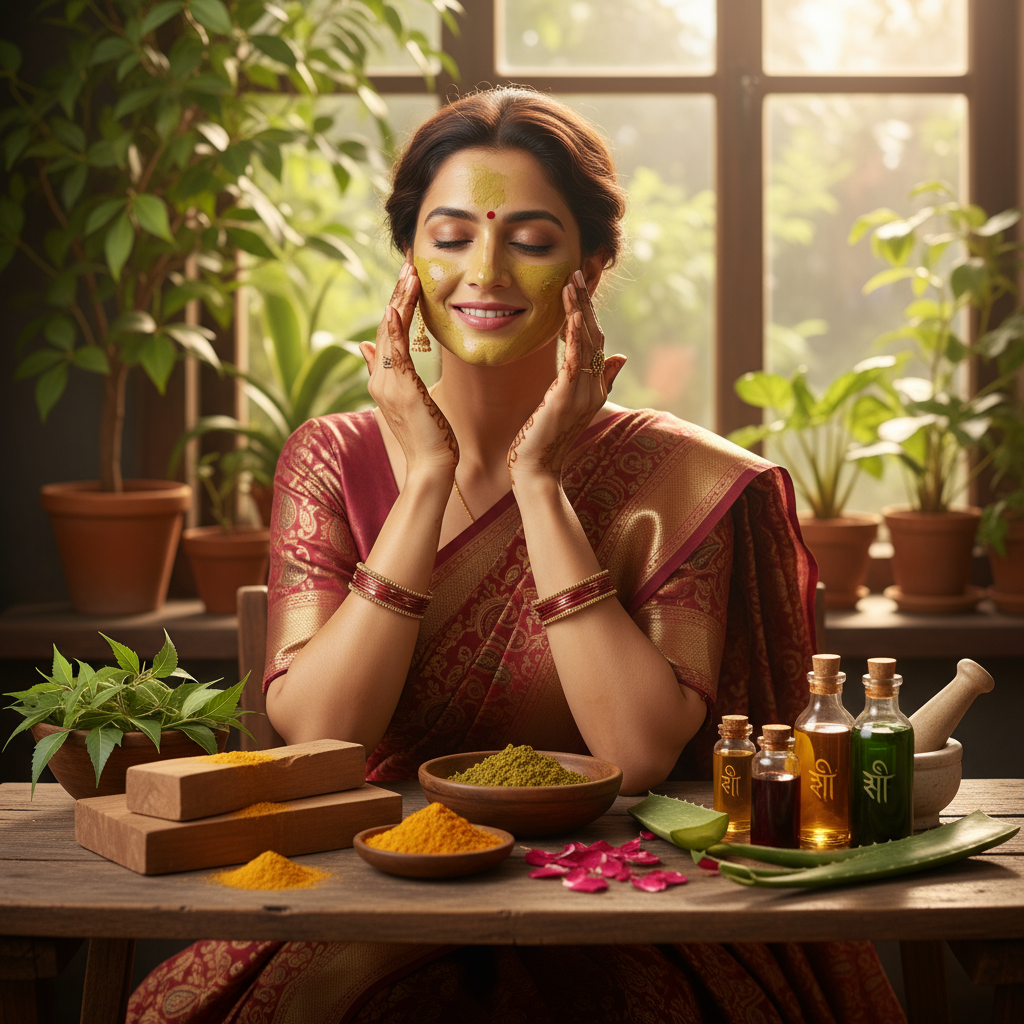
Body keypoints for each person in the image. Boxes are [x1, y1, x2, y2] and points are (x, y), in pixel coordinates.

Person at [128, 88, 905, 1024]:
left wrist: (539, 480)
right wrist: (425, 480)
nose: (484, 272)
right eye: (450, 237)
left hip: (626, 891)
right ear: (408, 260)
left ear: (593, 263)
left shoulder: (679, 477)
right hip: (378, 881)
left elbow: (635, 754)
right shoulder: (333, 457)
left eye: (531, 241)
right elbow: (325, 732)